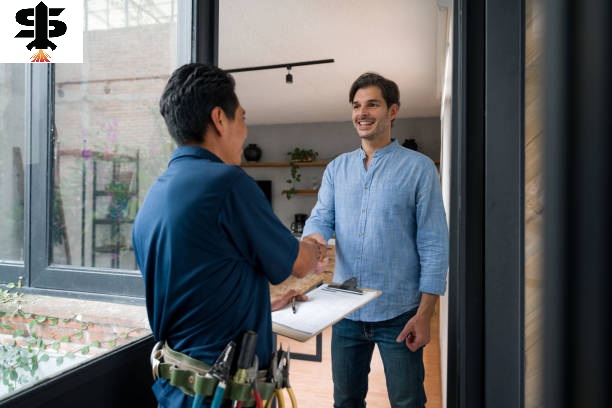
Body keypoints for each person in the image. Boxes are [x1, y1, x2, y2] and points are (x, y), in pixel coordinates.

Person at [132, 63, 322, 408]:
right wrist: (313, 244)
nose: (245, 131)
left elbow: (196, 287)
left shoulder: (154, 197)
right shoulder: (228, 184)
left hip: (175, 390)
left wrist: (263, 304)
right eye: (243, 118)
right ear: (220, 119)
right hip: (222, 395)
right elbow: (299, 263)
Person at [302, 72, 449, 408]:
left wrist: (425, 313)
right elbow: (322, 217)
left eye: (372, 104)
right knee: (346, 401)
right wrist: (312, 243)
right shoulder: (337, 169)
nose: (362, 113)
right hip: (347, 310)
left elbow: (434, 243)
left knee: (408, 402)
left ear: (392, 111)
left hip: (400, 314)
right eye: (356, 105)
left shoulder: (420, 169)